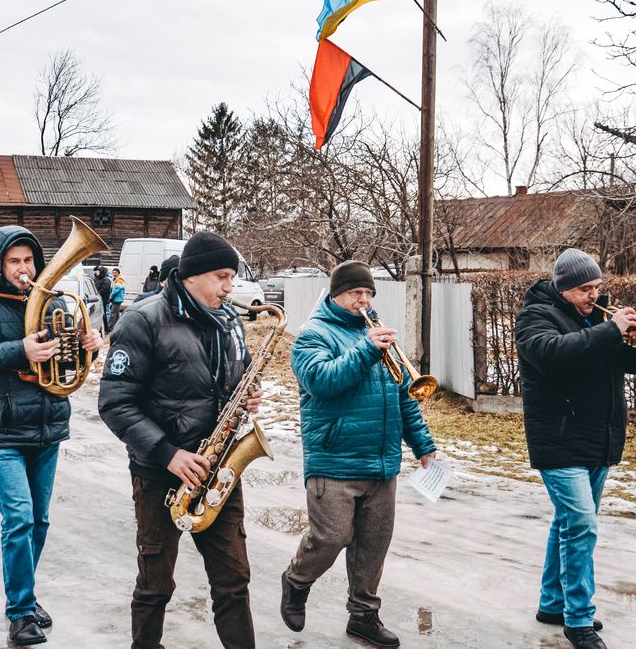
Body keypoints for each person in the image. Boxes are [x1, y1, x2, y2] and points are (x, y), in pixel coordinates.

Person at [98, 231, 263, 649]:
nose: (230, 287)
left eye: (232, 277)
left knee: (234, 580)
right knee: (155, 584)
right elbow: (115, 404)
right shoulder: (142, 319)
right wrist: (169, 454)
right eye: (222, 276)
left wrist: (245, 394)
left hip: (219, 468)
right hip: (159, 472)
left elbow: (229, 379)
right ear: (190, 276)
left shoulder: (228, 320)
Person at [0, 225, 102, 646]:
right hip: (1, 428)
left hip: (47, 424)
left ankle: (27, 597)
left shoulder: (53, 302)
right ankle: (19, 611)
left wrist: (88, 345)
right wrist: (21, 349)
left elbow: (68, 361)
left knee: (39, 519)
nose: (23, 268)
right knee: (18, 518)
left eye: (28, 260)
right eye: (13, 261)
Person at [280, 260, 437, 647]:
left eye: (368, 293)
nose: (363, 300)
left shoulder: (377, 336)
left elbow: (404, 397)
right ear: (336, 295)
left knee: (373, 545)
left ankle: (363, 616)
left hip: (381, 462)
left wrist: (423, 446)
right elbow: (322, 382)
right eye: (355, 293)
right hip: (334, 460)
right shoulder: (312, 336)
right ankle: (297, 580)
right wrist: (366, 350)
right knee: (331, 537)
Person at [514, 248, 636, 649]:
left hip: (599, 436)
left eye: (597, 286)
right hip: (558, 439)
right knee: (581, 524)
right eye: (584, 289)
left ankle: (551, 604)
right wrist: (610, 331)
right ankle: (579, 619)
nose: (594, 295)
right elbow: (551, 355)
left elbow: (630, 365)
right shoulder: (535, 316)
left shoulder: (598, 319)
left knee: (568, 522)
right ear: (562, 289)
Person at [93, 265, 113, 332]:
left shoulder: (106, 280)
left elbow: (104, 290)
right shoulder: (98, 279)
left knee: (105, 315)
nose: (96, 272)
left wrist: (98, 294)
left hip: (104, 300)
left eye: (98, 271)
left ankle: (107, 329)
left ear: (101, 272)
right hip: (100, 300)